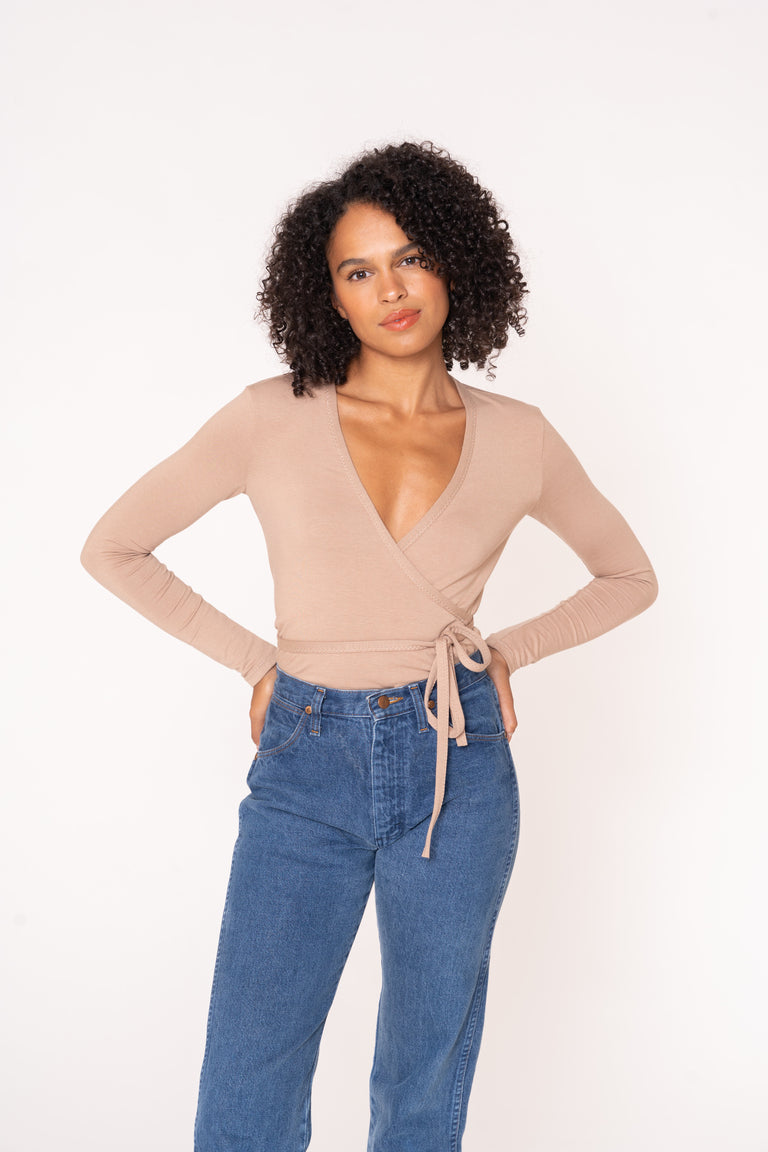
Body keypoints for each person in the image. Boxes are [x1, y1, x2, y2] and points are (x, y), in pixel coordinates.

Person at [80, 139, 658, 1152]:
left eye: (409, 257)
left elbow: (630, 576)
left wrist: (505, 653)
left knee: (424, 1069)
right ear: (330, 297)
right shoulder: (269, 418)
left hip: (458, 764)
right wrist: (258, 662)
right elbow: (114, 546)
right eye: (359, 271)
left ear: (455, 266)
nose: (390, 288)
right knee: (251, 1070)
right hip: (306, 761)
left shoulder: (520, 436)